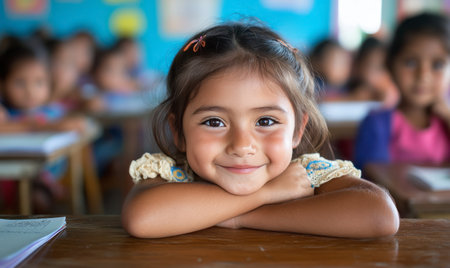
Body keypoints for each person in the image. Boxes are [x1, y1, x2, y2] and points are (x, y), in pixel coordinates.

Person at [121, 22, 399, 239]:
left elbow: (380, 215)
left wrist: (242, 218)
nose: (242, 146)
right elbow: (142, 218)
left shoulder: (304, 174)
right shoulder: (173, 174)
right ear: (178, 131)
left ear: (297, 130)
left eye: (265, 121)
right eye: (214, 122)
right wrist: (264, 195)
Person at [355, 13, 450, 169]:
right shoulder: (377, 124)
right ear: (390, 65)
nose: (423, 76)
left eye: (437, 65)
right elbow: (372, 184)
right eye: (411, 62)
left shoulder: (446, 123)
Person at [0, 41, 85, 212]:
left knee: (39, 202)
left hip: (41, 181)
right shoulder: (5, 114)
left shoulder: (51, 112)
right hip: (7, 181)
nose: (30, 91)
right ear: (2, 83)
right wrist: (44, 125)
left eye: (39, 82)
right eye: (20, 82)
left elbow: (77, 125)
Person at [347, 37, 399, 107]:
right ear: (358, 65)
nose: (381, 75)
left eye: (382, 68)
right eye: (373, 67)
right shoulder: (347, 87)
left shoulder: (388, 91)